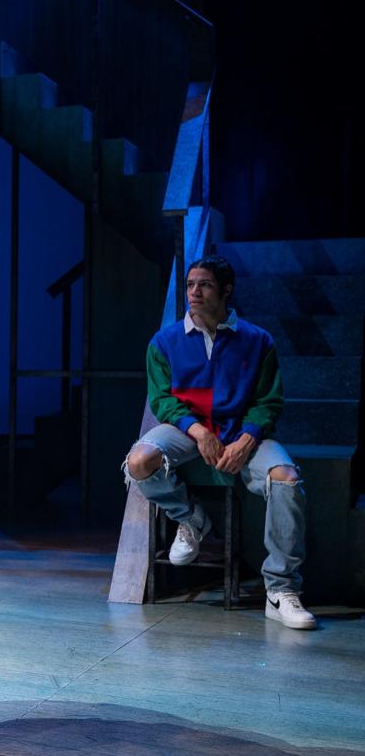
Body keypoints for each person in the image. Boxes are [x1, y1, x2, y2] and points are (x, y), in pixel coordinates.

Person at [123, 254, 315, 629]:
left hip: (242, 430)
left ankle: (280, 590)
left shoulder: (258, 341)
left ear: (226, 290)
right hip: (187, 429)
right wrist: (197, 430)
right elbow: (162, 399)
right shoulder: (164, 341)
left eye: (204, 284)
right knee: (138, 461)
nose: (194, 292)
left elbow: (267, 401)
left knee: (287, 479)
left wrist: (246, 439)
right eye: (190, 284)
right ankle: (190, 519)